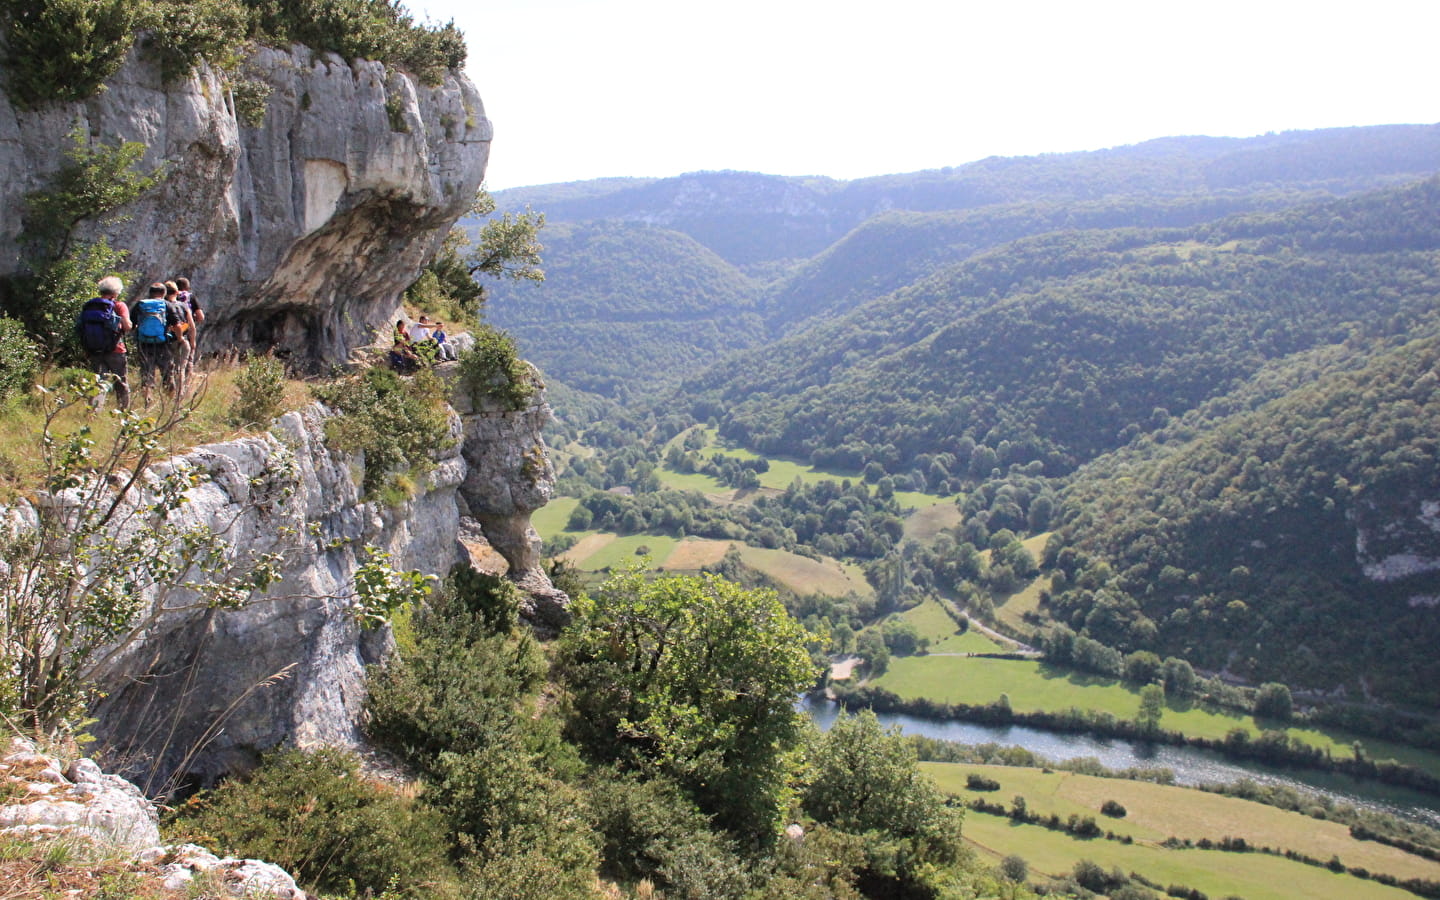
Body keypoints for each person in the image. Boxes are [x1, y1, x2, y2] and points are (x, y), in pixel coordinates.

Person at [76, 276, 132, 409]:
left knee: (99, 382)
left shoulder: (90, 305)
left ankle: (94, 413)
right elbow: (127, 326)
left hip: (94, 349)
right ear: (116, 292)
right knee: (121, 382)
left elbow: (80, 327)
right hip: (116, 350)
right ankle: (123, 413)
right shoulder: (119, 305)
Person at [133, 282, 176, 406]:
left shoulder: (140, 305)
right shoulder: (166, 305)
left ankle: (148, 402)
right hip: (163, 344)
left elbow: (131, 324)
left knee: (147, 373)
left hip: (144, 344)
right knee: (168, 373)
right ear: (164, 293)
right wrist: (179, 338)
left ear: (150, 293)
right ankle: (171, 403)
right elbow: (177, 325)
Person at [164, 281, 194, 396]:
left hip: (166, 340)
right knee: (180, 369)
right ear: (177, 292)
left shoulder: (163, 305)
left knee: (168, 368)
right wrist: (191, 341)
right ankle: (179, 395)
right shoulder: (184, 305)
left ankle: (169, 393)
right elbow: (192, 326)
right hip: (181, 340)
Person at [174, 276, 203, 372]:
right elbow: (201, 317)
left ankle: (172, 382)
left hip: (173, 331)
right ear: (187, 287)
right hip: (188, 330)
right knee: (188, 358)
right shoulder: (190, 297)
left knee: (174, 359)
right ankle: (186, 382)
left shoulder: (172, 297)